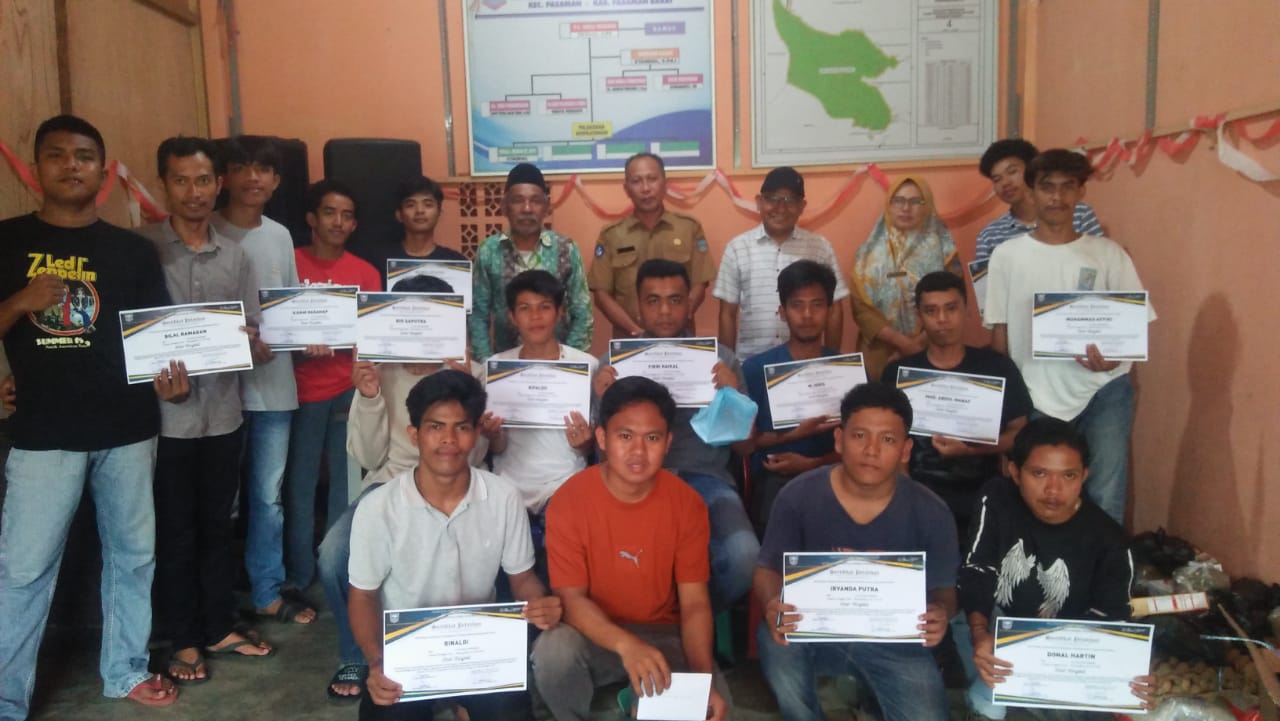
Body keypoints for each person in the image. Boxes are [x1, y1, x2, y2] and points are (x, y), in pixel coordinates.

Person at [0, 114, 183, 716]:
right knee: (24, 570)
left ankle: (125, 670)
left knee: (133, 558)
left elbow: (158, 342)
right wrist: (21, 302)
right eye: (57, 155)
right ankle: (6, 698)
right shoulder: (6, 242)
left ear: (103, 172)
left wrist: (174, 384)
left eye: (83, 156)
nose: (71, 165)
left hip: (129, 430)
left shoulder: (132, 251)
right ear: (36, 169)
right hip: (43, 434)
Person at [137, 136, 275, 684]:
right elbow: (129, 336)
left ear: (217, 185)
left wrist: (255, 346)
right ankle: (184, 639)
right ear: (164, 185)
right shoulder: (142, 249)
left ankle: (218, 626)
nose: (193, 192)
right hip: (164, 421)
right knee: (175, 532)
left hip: (223, 416)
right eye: (180, 180)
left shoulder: (236, 256)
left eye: (202, 181)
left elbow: (253, 335)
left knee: (219, 526)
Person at [348, 370, 562, 720]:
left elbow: (522, 578)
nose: (449, 439)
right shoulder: (378, 507)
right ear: (414, 435)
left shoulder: (503, 497)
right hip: (407, 653)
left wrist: (538, 602)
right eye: (436, 427)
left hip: (481, 652)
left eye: (461, 427)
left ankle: (463, 703)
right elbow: (363, 596)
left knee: (512, 714)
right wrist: (376, 661)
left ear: (476, 434)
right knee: (384, 713)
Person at [319, 274, 491, 702]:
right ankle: (358, 654)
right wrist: (370, 395)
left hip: (455, 487)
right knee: (333, 555)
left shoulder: (468, 371)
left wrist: (466, 386)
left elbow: (478, 455)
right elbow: (367, 455)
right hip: (388, 486)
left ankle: (475, 653)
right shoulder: (380, 371)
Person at [754, 383, 957, 721]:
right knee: (774, 638)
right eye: (860, 435)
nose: (871, 450)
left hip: (895, 638)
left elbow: (945, 590)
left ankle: (867, 694)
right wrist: (772, 602)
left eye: (887, 439)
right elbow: (767, 569)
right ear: (839, 440)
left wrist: (941, 613)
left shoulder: (931, 511)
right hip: (812, 628)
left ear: (905, 450)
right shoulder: (797, 495)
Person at [532, 377, 729, 721]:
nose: (638, 451)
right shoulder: (568, 501)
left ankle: (643, 702)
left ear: (668, 442)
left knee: (716, 709)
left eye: (652, 438)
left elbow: (695, 604)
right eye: (625, 436)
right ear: (602, 438)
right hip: (591, 632)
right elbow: (572, 601)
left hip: (663, 637)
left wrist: (702, 678)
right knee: (553, 652)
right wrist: (628, 647)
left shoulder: (687, 504)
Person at [984, 149, 1155, 524]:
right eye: (1047, 187)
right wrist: (1006, 407)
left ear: (1081, 192)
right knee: (1037, 493)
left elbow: (1134, 326)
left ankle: (1105, 562)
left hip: (1105, 390)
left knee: (1105, 491)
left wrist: (1113, 358)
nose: (1057, 197)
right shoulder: (1006, 256)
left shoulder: (1108, 254)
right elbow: (1000, 331)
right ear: (1032, 191)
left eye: (1067, 187)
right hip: (1035, 393)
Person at [959, 417, 1154, 721]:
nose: (1054, 490)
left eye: (1069, 475)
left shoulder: (1110, 543)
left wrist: (1125, 673)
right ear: (1014, 472)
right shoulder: (997, 499)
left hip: (1066, 651)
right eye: (1039, 473)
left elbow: (1110, 620)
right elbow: (977, 571)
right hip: (996, 627)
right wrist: (979, 632)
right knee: (989, 702)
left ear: (1084, 476)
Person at [592, 259, 759, 610]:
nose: (665, 311)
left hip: (706, 481)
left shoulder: (721, 360)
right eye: (653, 301)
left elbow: (747, 448)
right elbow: (599, 455)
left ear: (690, 304)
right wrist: (605, 401)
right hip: (632, 484)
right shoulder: (613, 364)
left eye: (675, 300)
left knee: (745, 557)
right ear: (639, 306)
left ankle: (693, 615)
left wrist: (732, 397)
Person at [211, 136, 314, 624]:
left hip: (273, 387)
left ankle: (266, 591)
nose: (253, 178)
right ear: (224, 177)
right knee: (221, 501)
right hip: (217, 393)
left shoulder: (280, 236)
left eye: (263, 170)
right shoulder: (206, 229)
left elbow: (290, 307)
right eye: (242, 167)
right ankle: (217, 600)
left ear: (275, 180)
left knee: (267, 499)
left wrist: (310, 335)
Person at [284, 180, 382, 595]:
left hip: (348, 391)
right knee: (300, 487)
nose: (338, 222)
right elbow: (273, 324)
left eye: (346, 215)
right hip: (300, 391)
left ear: (354, 224)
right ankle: (299, 574)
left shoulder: (365, 273)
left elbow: (374, 335)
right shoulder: (289, 263)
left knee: (346, 486)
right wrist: (298, 342)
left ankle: (341, 571)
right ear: (312, 218)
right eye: (329, 213)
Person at [882, 271, 1032, 542]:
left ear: (966, 311)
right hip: (915, 491)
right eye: (931, 311)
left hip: (982, 494)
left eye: (951, 308)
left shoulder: (996, 367)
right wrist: (904, 489)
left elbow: (1020, 433)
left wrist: (973, 449)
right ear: (919, 316)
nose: (942, 319)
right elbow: (886, 436)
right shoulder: (899, 373)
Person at [479, 269, 597, 520]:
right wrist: (493, 435)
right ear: (512, 317)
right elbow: (497, 447)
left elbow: (592, 447)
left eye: (544, 307)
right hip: (507, 485)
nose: (535, 317)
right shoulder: (496, 368)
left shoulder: (587, 366)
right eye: (525, 308)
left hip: (566, 483)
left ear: (559, 312)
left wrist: (586, 444)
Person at [741, 260, 842, 533]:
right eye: (797, 305)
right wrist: (795, 435)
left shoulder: (847, 370)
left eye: (817, 305)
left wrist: (813, 464)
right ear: (782, 312)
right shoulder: (755, 369)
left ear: (829, 310)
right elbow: (747, 445)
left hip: (835, 475)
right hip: (775, 479)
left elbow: (855, 443)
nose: (807, 315)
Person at [714, 167, 848, 358]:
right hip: (750, 363)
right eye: (772, 199)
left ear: (802, 206)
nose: (781, 208)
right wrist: (728, 364)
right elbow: (727, 314)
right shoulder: (737, 248)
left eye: (790, 200)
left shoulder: (820, 247)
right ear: (759, 202)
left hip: (806, 363)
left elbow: (834, 310)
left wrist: (832, 361)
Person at [469, 163, 591, 359]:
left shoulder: (566, 249)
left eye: (535, 201)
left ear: (546, 207)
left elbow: (582, 314)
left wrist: (569, 363)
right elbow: (478, 316)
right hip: (506, 365)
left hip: (558, 363)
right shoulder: (488, 251)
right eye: (518, 200)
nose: (527, 208)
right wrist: (487, 365)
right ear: (504, 207)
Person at [590, 152, 715, 337]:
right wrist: (636, 331)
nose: (646, 188)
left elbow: (700, 283)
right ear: (626, 189)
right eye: (636, 181)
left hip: (680, 339)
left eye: (652, 179)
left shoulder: (689, 228)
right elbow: (601, 294)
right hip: (629, 339)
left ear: (665, 183)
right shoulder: (612, 235)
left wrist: (676, 321)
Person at [849, 176, 961, 381]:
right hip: (880, 353)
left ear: (927, 205)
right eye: (898, 201)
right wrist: (904, 344)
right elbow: (860, 309)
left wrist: (918, 344)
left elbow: (956, 300)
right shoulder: (867, 254)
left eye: (915, 201)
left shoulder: (945, 250)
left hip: (932, 347)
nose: (905, 208)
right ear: (888, 205)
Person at [974, 139, 1103, 263]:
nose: (1005, 183)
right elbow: (988, 279)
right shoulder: (989, 235)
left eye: (1012, 172)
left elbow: (1099, 262)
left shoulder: (1079, 213)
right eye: (997, 179)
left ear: (1032, 171)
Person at [357, 175, 467, 283]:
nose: (419, 211)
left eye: (428, 204)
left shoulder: (457, 262)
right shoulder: (378, 261)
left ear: (439, 213)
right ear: (399, 215)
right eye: (410, 205)